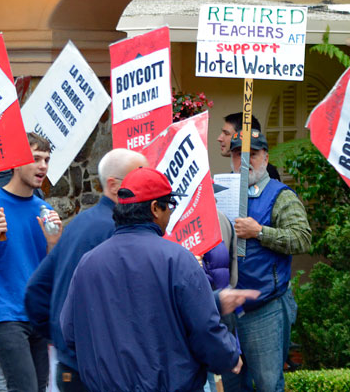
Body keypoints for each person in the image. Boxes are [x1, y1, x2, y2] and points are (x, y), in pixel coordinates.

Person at [60, 167, 258, 391]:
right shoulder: (179, 259)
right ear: (155, 208)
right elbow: (204, 329)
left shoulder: (88, 263)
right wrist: (229, 356)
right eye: (169, 206)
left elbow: (69, 331)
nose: (170, 214)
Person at [25, 148, 149, 391]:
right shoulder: (117, 230)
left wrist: (62, 341)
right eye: (140, 178)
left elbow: (36, 290)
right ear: (113, 185)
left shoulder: (80, 223)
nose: (149, 185)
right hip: (103, 369)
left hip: (74, 366)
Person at [0, 133, 62, 392]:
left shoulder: (43, 209)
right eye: (36, 158)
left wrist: (53, 243)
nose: (43, 166)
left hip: (36, 314)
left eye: (47, 160)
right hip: (4, 314)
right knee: (24, 387)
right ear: (17, 161)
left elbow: (50, 273)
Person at [221, 130, 311, 392]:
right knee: (231, 385)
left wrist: (259, 231)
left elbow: (302, 239)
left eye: (253, 154)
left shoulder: (281, 196)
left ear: (266, 157)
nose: (245, 161)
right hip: (228, 310)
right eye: (239, 155)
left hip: (265, 308)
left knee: (268, 384)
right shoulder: (222, 193)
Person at [217, 112, 279, 180]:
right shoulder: (235, 175)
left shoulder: (266, 174)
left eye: (226, 133)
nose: (219, 138)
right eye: (239, 154)